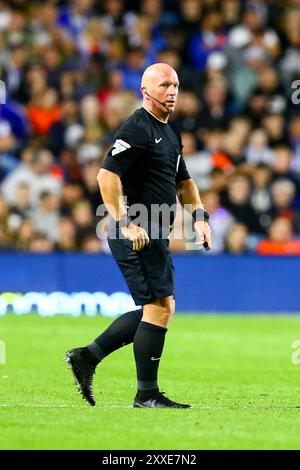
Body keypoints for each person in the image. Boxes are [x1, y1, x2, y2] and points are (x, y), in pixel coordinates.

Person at [65, 63, 212, 408]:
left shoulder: (169, 131)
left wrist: (200, 217)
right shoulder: (137, 128)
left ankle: (87, 357)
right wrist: (123, 222)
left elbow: (184, 182)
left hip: (154, 229)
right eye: (164, 85)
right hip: (137, 229)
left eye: (175, 85)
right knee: (159, 308)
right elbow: (106, 176)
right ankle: (145, 394)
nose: (172, 91)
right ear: (145, 91)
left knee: (159, 308)